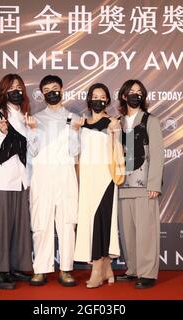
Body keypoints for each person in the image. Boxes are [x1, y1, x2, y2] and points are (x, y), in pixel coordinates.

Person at [26, 75, 81, 287]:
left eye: (55, 88)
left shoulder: (73, 118)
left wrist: (75, 132)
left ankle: (66, 269)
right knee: (41, 223)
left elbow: (75, 151)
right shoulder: (35, 119)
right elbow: (32, 152)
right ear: (42, 93)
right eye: (47, 89)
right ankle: (40, 269)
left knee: (67, 223)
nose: (52, 92)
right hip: (42, 176)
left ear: (62, 90)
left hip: (66, 176)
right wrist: (31, 132)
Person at [0, 74, 33, 290]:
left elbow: (31, 152)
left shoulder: (25, 117)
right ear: (3, 91)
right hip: (2, 179)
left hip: (21, 180)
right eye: (12, 87)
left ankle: (14, 266)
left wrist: (34, 131)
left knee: (18, 226)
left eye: (19, 87)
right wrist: (2, 133)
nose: (17, 91)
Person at [74, 83, 125, 288]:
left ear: (107, 100)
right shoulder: (81, 123)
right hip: (86, 180)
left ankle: (97, 270)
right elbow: (75, 153)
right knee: (89, 222)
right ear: (89, 99)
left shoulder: (113, 122)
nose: (98, 99)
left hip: (105, 179)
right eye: (94, 96)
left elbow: (123, 153)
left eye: (102, 96)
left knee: (101, 222)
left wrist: (117, 132)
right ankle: (106, 269)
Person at [116, 79, 164, 289]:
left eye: (140, 92)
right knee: (127, 232)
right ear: (124, 96)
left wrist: (154, 184)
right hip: (122, 185)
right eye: (132, 92)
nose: (136, 95)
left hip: (144, 185)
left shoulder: (150, 120)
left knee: (146, 231)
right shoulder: (116, 122)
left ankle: (147, 273)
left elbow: (157, 154)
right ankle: (133, 269)